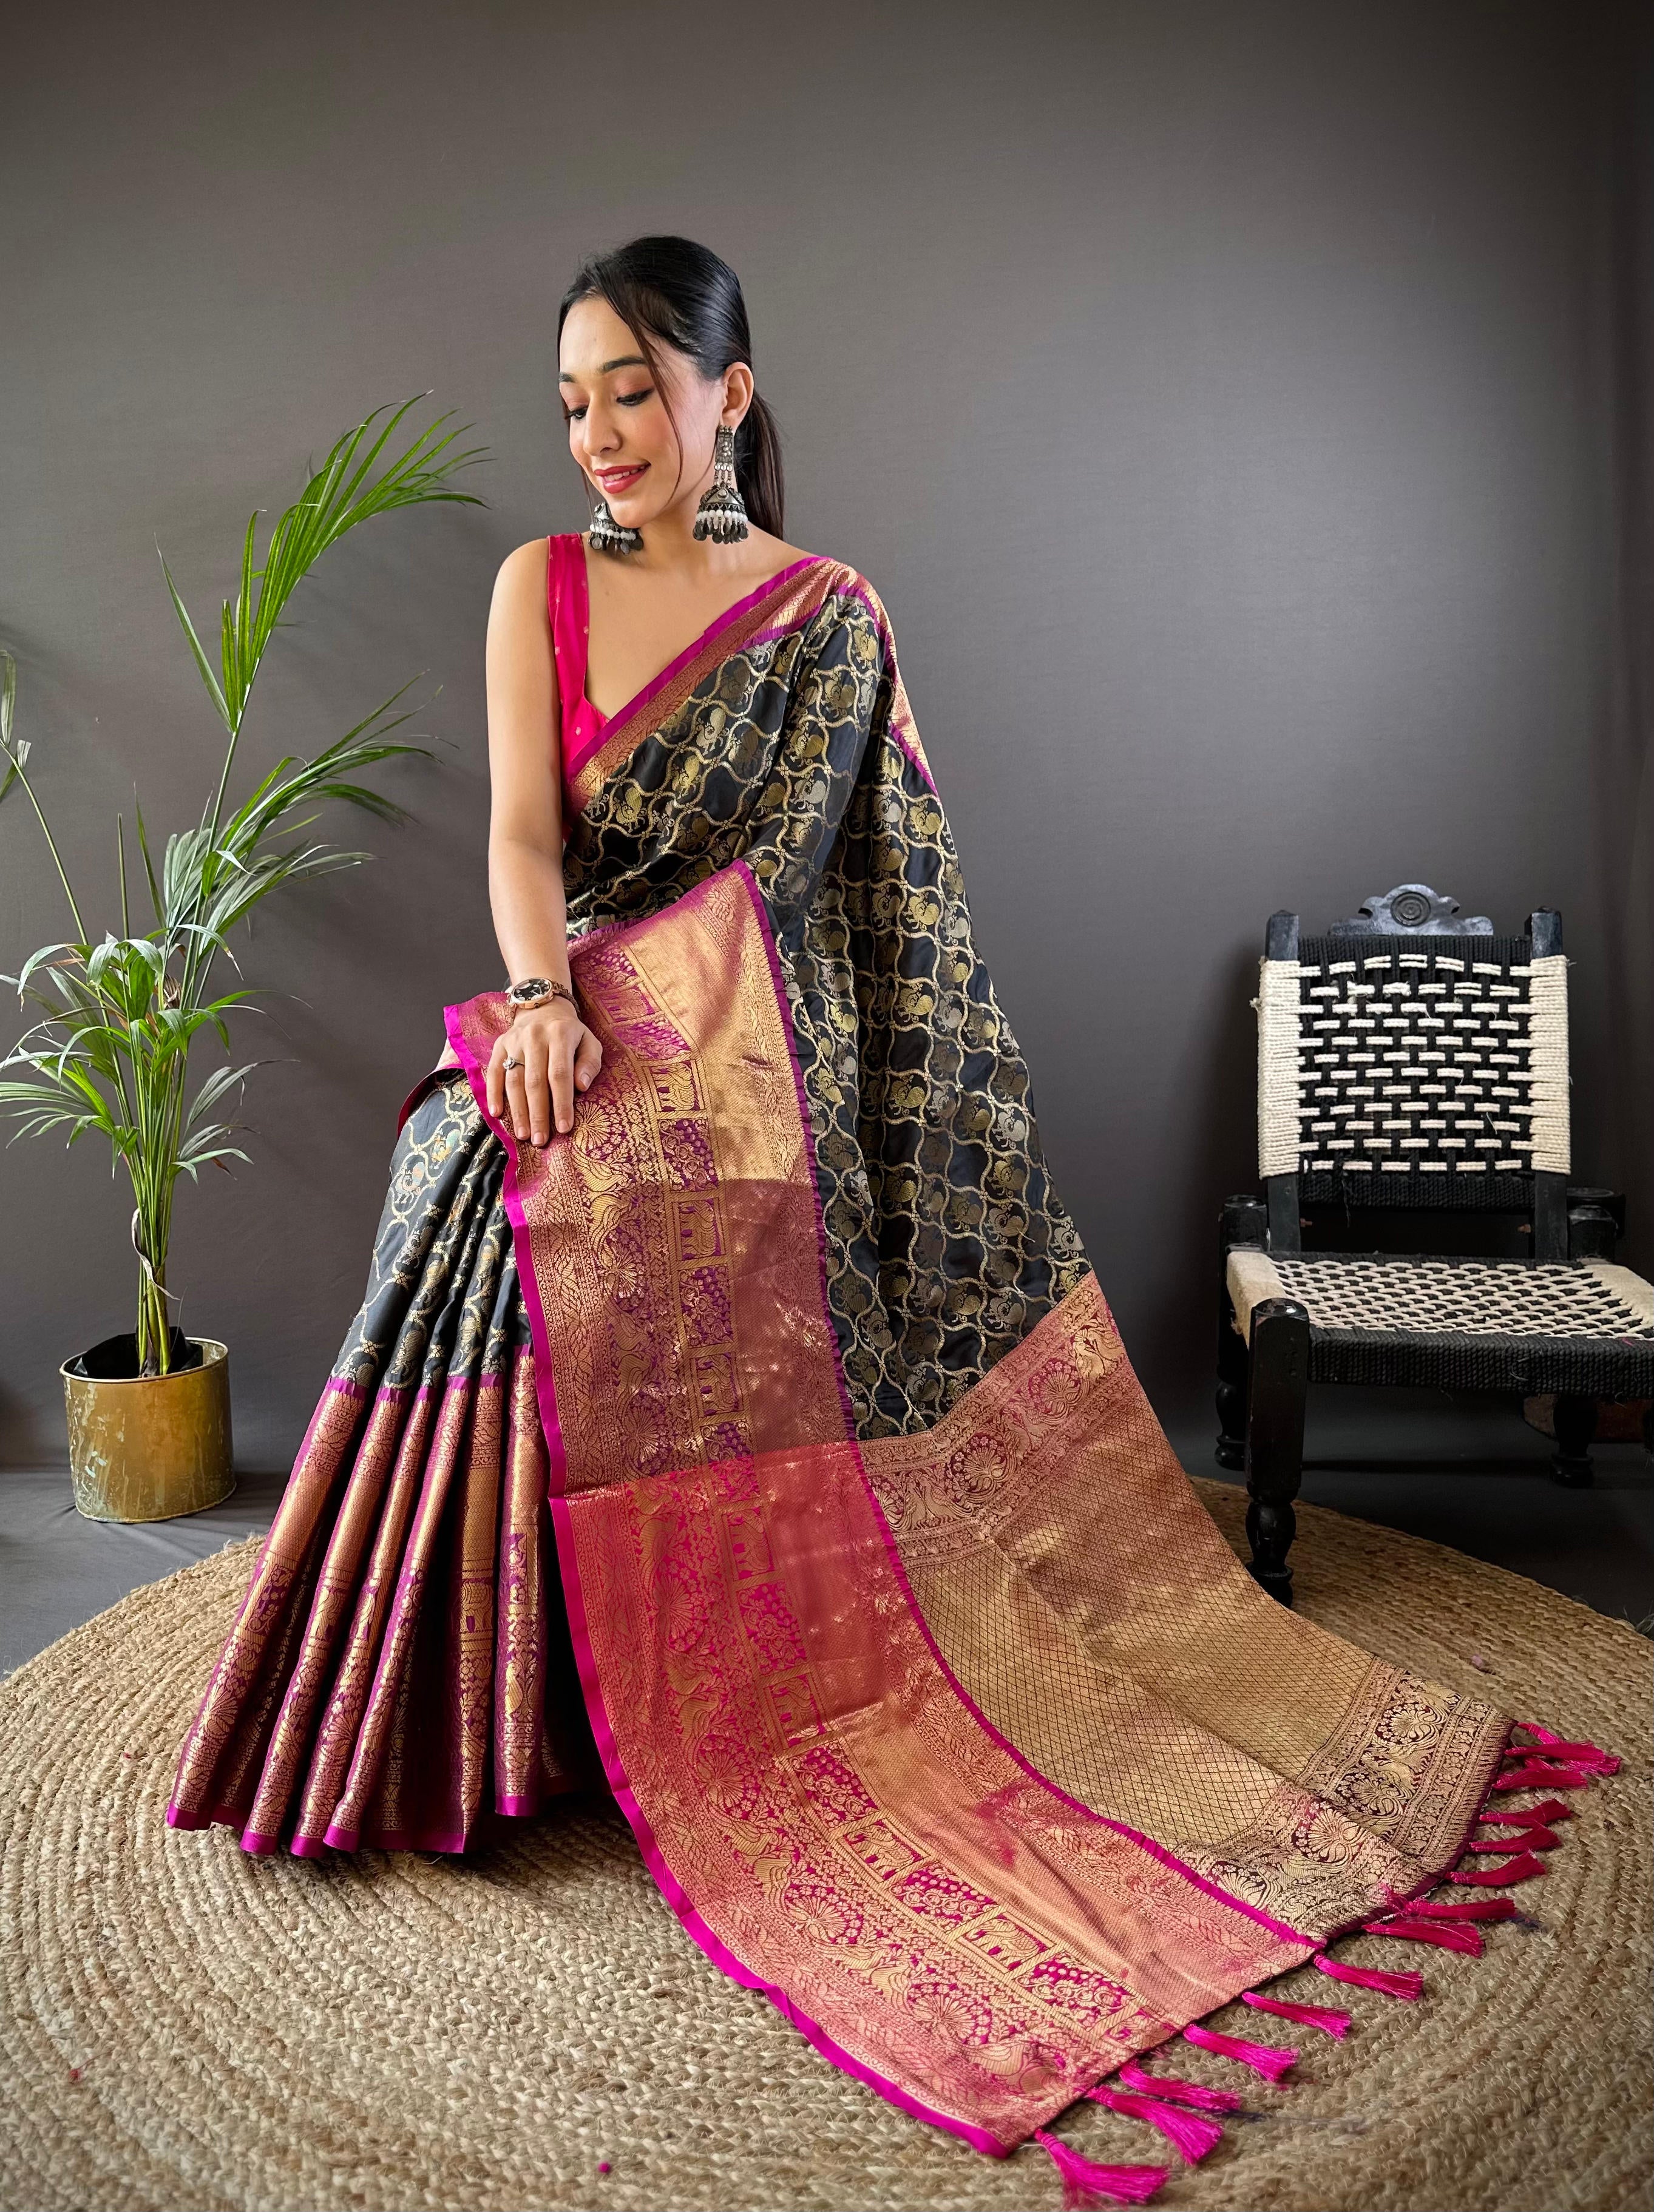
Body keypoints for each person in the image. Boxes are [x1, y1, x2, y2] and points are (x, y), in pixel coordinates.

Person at [171, 237, 1554, 2177]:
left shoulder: (827, 616)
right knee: (476, 1169)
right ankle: (468, 1710)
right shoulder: (533, 589)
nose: (601, 435)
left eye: (634, 388)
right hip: (589, 1005)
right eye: (573, 400)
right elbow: (514, 832)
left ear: (730, 390)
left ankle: (694, 1687)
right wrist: (553, 995)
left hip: (772, 1048)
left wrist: (738, 1046)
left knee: (686, 1187)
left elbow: (875, 912)